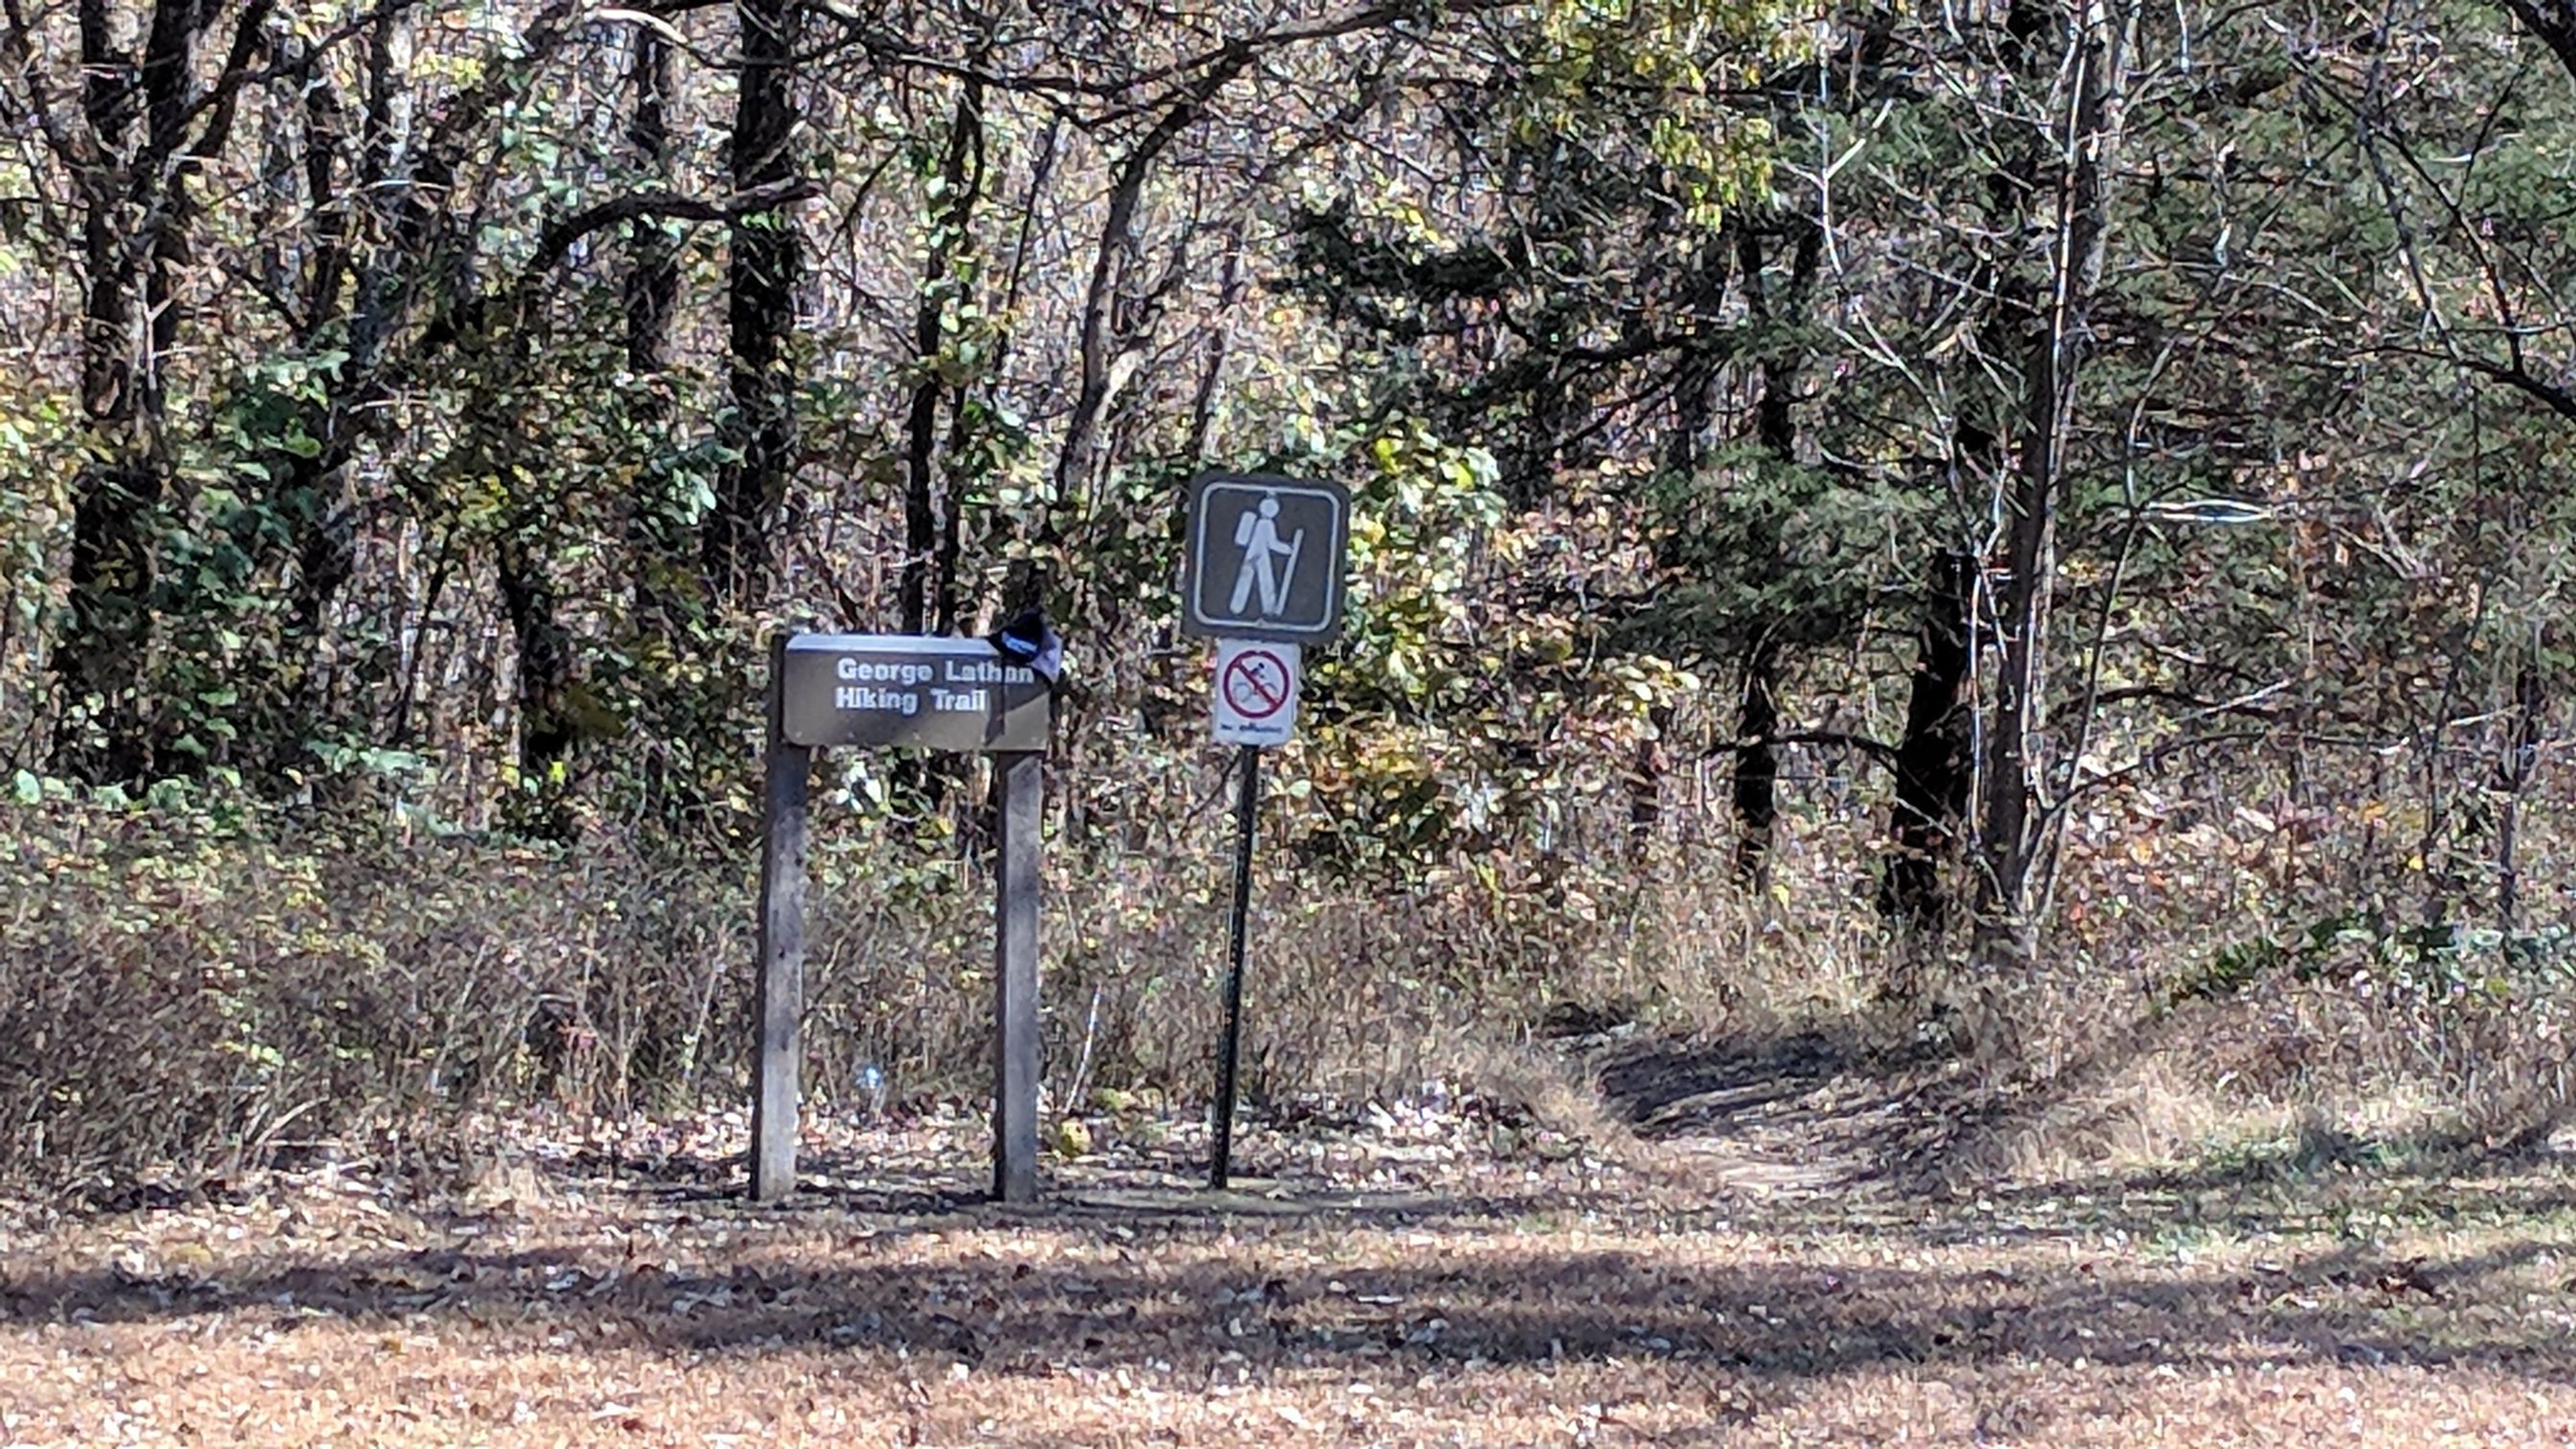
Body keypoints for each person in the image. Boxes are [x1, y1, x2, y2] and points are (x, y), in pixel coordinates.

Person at [1229, 495, 1301, 616]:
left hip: (1252, 554)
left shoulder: (1259, 522)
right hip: (1261, 556)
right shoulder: (1266, 524)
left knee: (1246, 579)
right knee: (1265, 581)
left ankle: (1237, 607)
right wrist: (1288, 550)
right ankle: (1267, 608)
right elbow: (1272, 543)